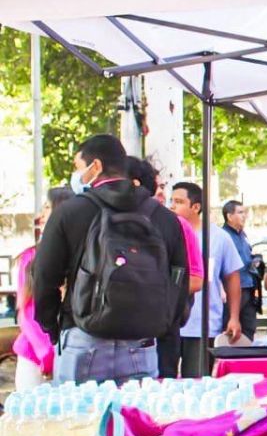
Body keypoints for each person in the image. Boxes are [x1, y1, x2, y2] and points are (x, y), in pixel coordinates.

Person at [34, 135, 191, 384]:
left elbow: (43, 277)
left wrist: (53, 328)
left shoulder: (70, 212)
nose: (78, 175)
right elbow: (180, 279)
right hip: (143, 344)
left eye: (78, 167)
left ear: (95, 166)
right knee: (135, 421)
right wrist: (163, 324)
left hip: (82, 337)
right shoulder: (164, 218)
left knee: (79, 422)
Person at [127, 157, 203, 378]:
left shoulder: (177, 224)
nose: (161, 194)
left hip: (161, 330)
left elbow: (195, 279)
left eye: (162, 187)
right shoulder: (104, 218)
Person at [170, 181, 243, 378]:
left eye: (178, 201)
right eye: (171, 201)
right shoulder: (166, 233)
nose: (172, 206)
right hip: (168, 323)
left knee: (197, 381)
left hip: (203, 325)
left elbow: (232, 278)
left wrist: (234, 317)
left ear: (196, 207)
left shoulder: (218, 238)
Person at [12, 187, 73, 390]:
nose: (41, 215)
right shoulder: (30, 257)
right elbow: (26, 311)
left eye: (47, 207)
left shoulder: (80, 255)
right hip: (35, 355)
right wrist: (45, 353)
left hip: (71, 353)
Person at [222, 200, 260, 341]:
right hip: (232, 289)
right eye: (240, 212)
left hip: (248, 287)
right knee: (229, 328)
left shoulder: (243, 235)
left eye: (245, 212)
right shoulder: (224, 236)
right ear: (229, 216)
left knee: (248, 328)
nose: (244, 216)